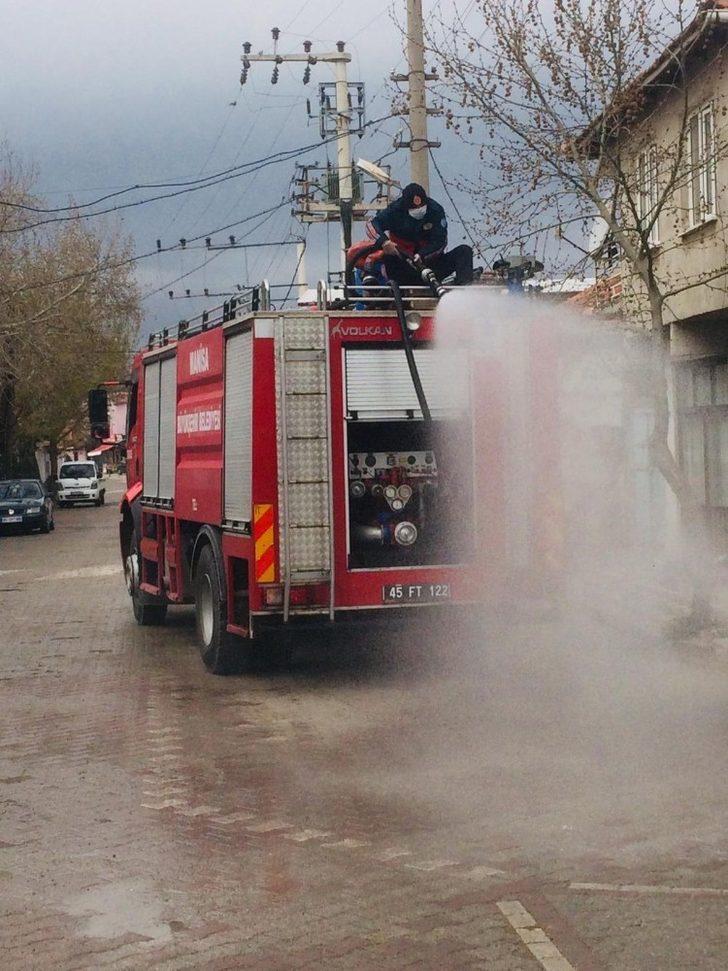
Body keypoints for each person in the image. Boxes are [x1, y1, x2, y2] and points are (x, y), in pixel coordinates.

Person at [365, 182, 473, 286]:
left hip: (431, 265)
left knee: (464, 251)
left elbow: (440, 241)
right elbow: (372, 224)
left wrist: (422, 255)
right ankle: (397, 292)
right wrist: (384, 242)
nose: (418, 209)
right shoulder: (395, 211)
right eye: (414, 208)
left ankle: (464, 292)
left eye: (420, 206)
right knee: (388, 257)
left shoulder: (435, 210)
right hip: (404, 267)